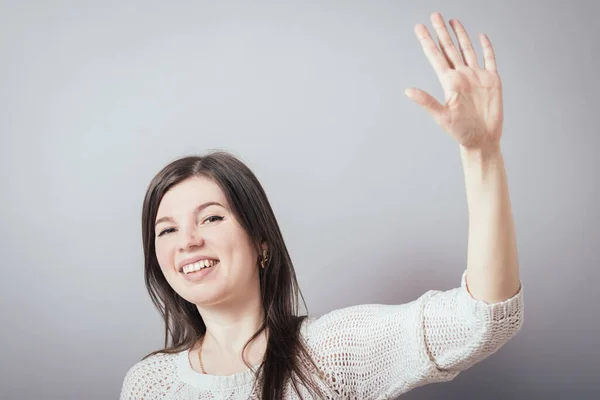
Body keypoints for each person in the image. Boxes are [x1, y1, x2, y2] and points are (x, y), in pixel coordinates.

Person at [119, 12, 524, 400]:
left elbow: (481, 319)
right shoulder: (149, 384)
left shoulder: (329, 352)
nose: (187, 241)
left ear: (262, 244)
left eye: (210, 218)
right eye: (167, 229)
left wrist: (482, 154)